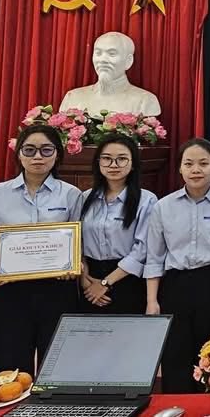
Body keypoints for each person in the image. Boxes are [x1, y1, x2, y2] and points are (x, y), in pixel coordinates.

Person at [0, 125, 83, 374]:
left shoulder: (71, 194)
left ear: (57, 154)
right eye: (30, 150)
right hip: (11, 291)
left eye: (46, 150)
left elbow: (79, 241)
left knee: (58, 367)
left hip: (58, 289)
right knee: (11, 367)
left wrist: (74, 263)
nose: (38, 157)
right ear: (19, 154)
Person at [144, 138, 210, 394]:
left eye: (203, 163)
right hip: (176, 285)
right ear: (180, 168)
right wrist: (152, 301)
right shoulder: (163, 206)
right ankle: (178, 406)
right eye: (189, 164)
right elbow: (155, 256)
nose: (196, 169)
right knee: (176, 355)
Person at [78, 134, 157, 315]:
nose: (113, 165)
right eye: (107, 158)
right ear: (98, 162)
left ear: (133, 163)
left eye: (122, 159)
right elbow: (77, 242)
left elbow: (142, 249)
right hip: (90, 283)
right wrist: (84, 279)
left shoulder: (146, 200)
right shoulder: (84, 198)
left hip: (127, 280)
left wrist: (105, 283)